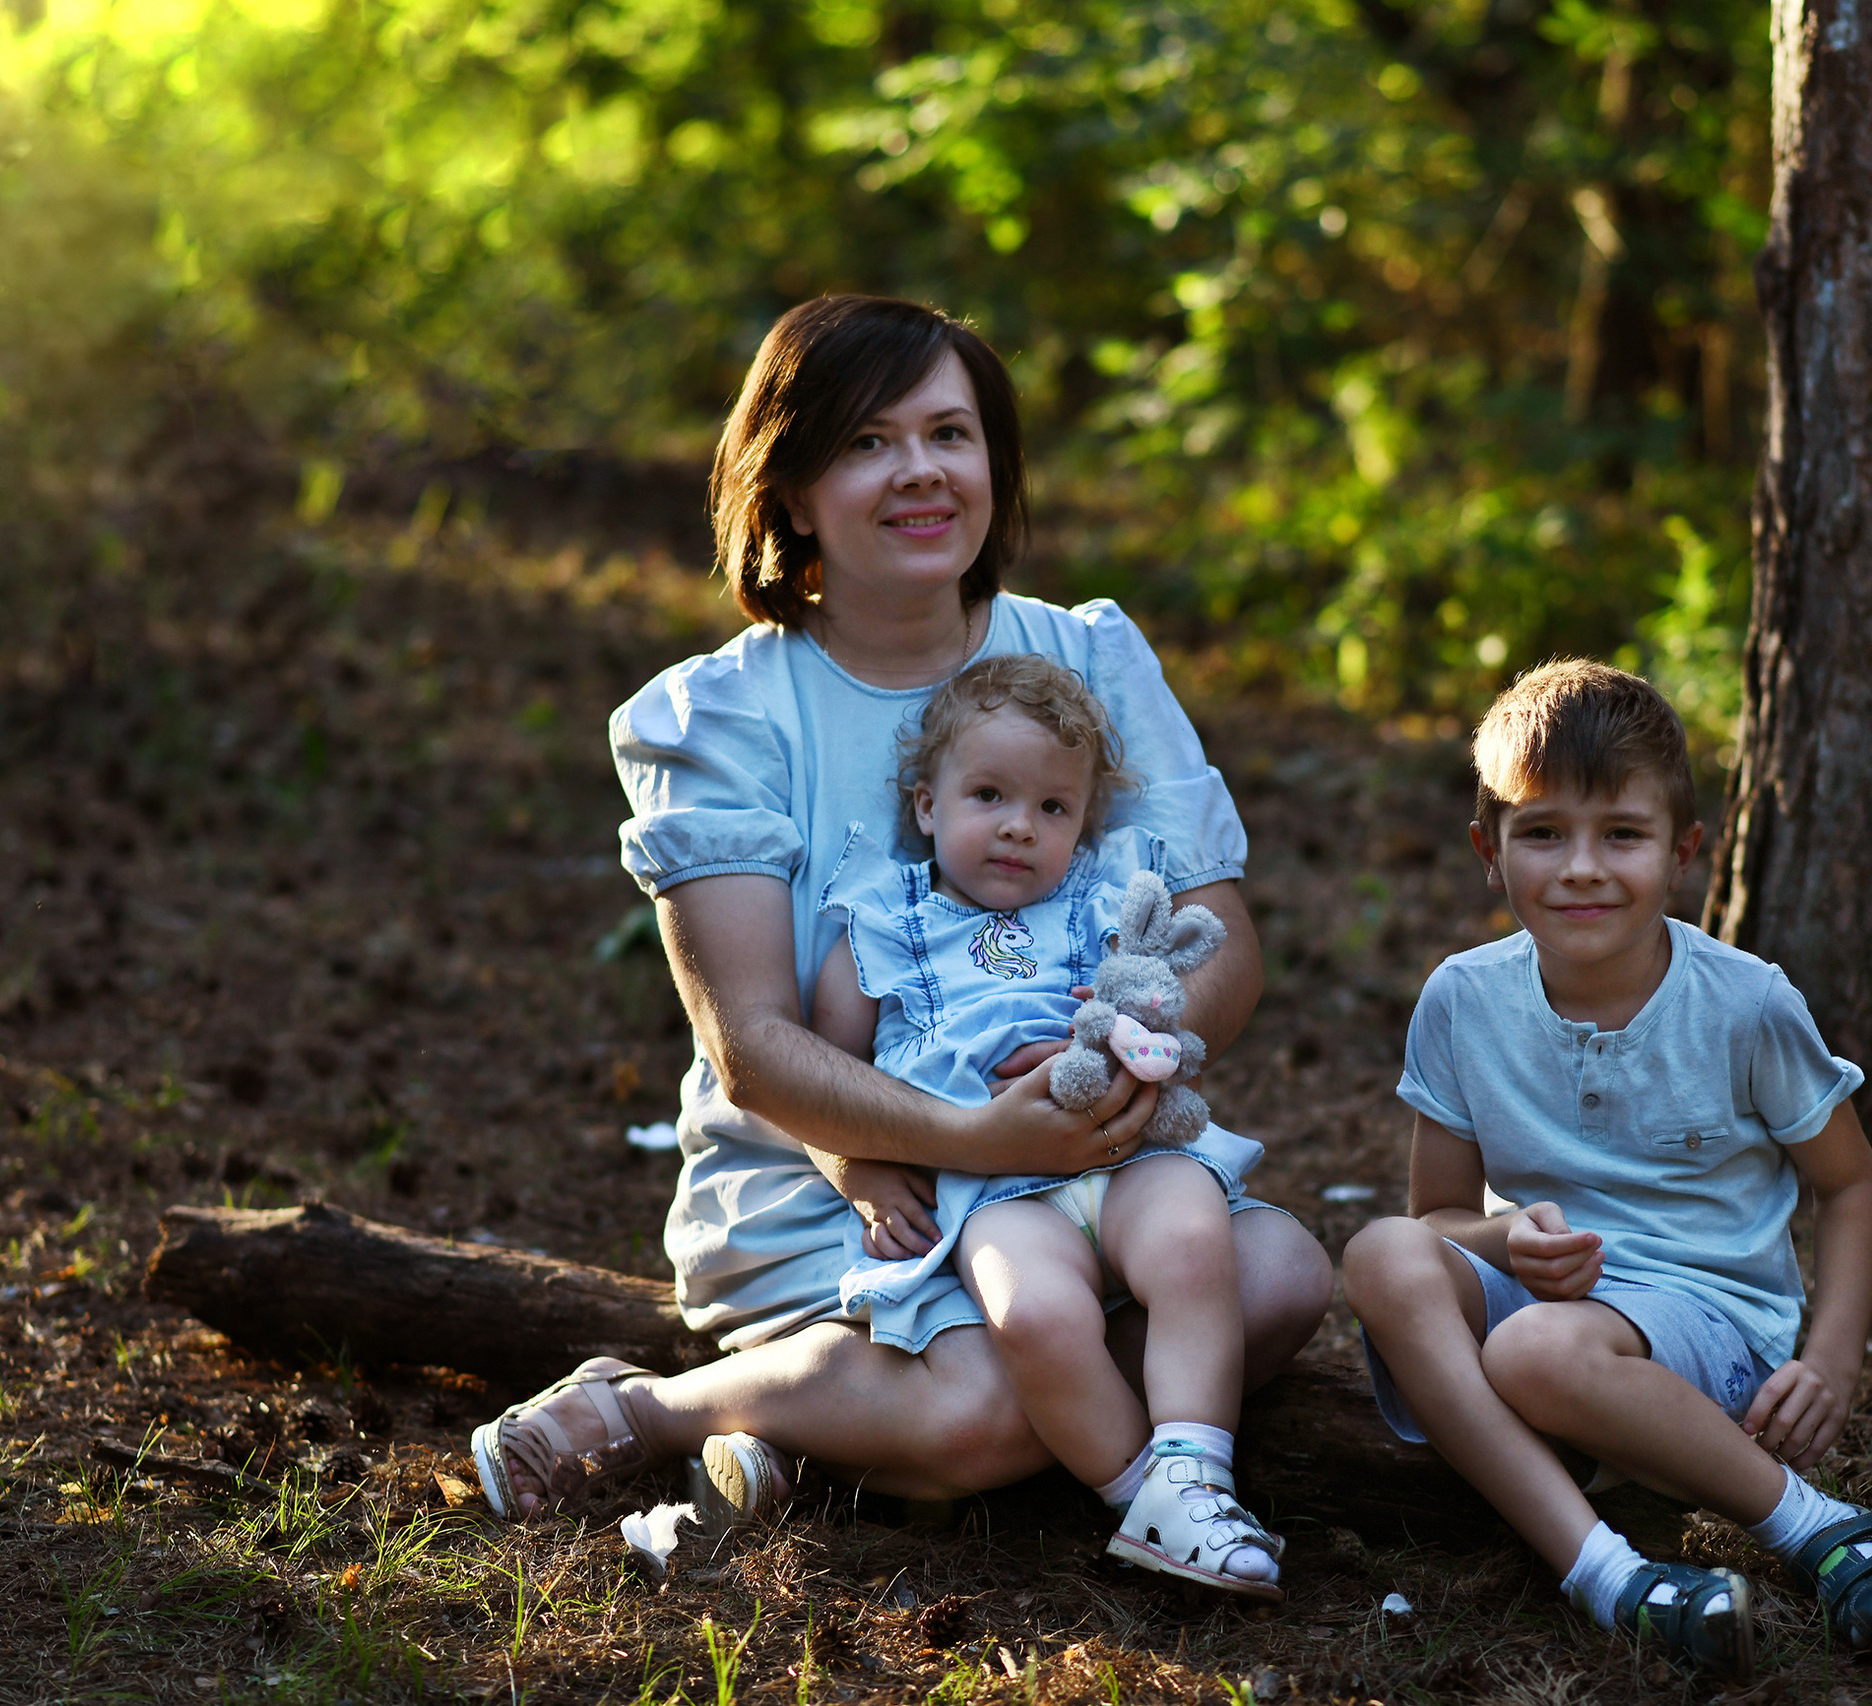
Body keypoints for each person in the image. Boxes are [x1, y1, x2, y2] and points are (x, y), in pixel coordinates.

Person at [467, 294, 1332, 1527]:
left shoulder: (1087, 660)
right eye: (866, 442)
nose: (918, 471)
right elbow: (753, 1045)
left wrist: (1115, 1060)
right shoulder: (721, 716)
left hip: (1083, 1161)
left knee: (1287, 1271)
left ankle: (812, 1441)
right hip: (849, 1185)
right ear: (792, 488)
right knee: (975, 1407)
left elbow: (1220, 945)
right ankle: (660, 1406)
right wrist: (979, 1138)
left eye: (949, 434)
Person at [1340, 661, 1872, 1679]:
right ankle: (1607, 1572)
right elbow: (1437, 1217)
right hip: (1546, 1299)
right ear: (1490, 851)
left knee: (1533, 1352)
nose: (1581, 866)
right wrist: (1505, 1234)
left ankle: (1819, 1527)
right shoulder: (1459, 999)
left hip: (1706, 1317)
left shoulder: (1744, 1003)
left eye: (1620, 833)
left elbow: (1851, 1184)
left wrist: (1832, 1359)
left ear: (1682, 855)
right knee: (1378, 1253)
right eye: (1542, 832)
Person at [808, 654, 1283, 1597]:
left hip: (1125, 1147)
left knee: (1195, 1246)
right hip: (994, 1184)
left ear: (1084, 825)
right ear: (926, 805)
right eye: (989, 795)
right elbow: (827, 1079)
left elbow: (1164, 1001)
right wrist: (852, 1169)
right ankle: (1144, 1499)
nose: (1021, 826)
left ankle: (1196, 1470)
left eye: (1053, 809)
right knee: (1036, 1315)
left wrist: (1142, 1032)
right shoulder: (877, 921)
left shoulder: (1108, 905)